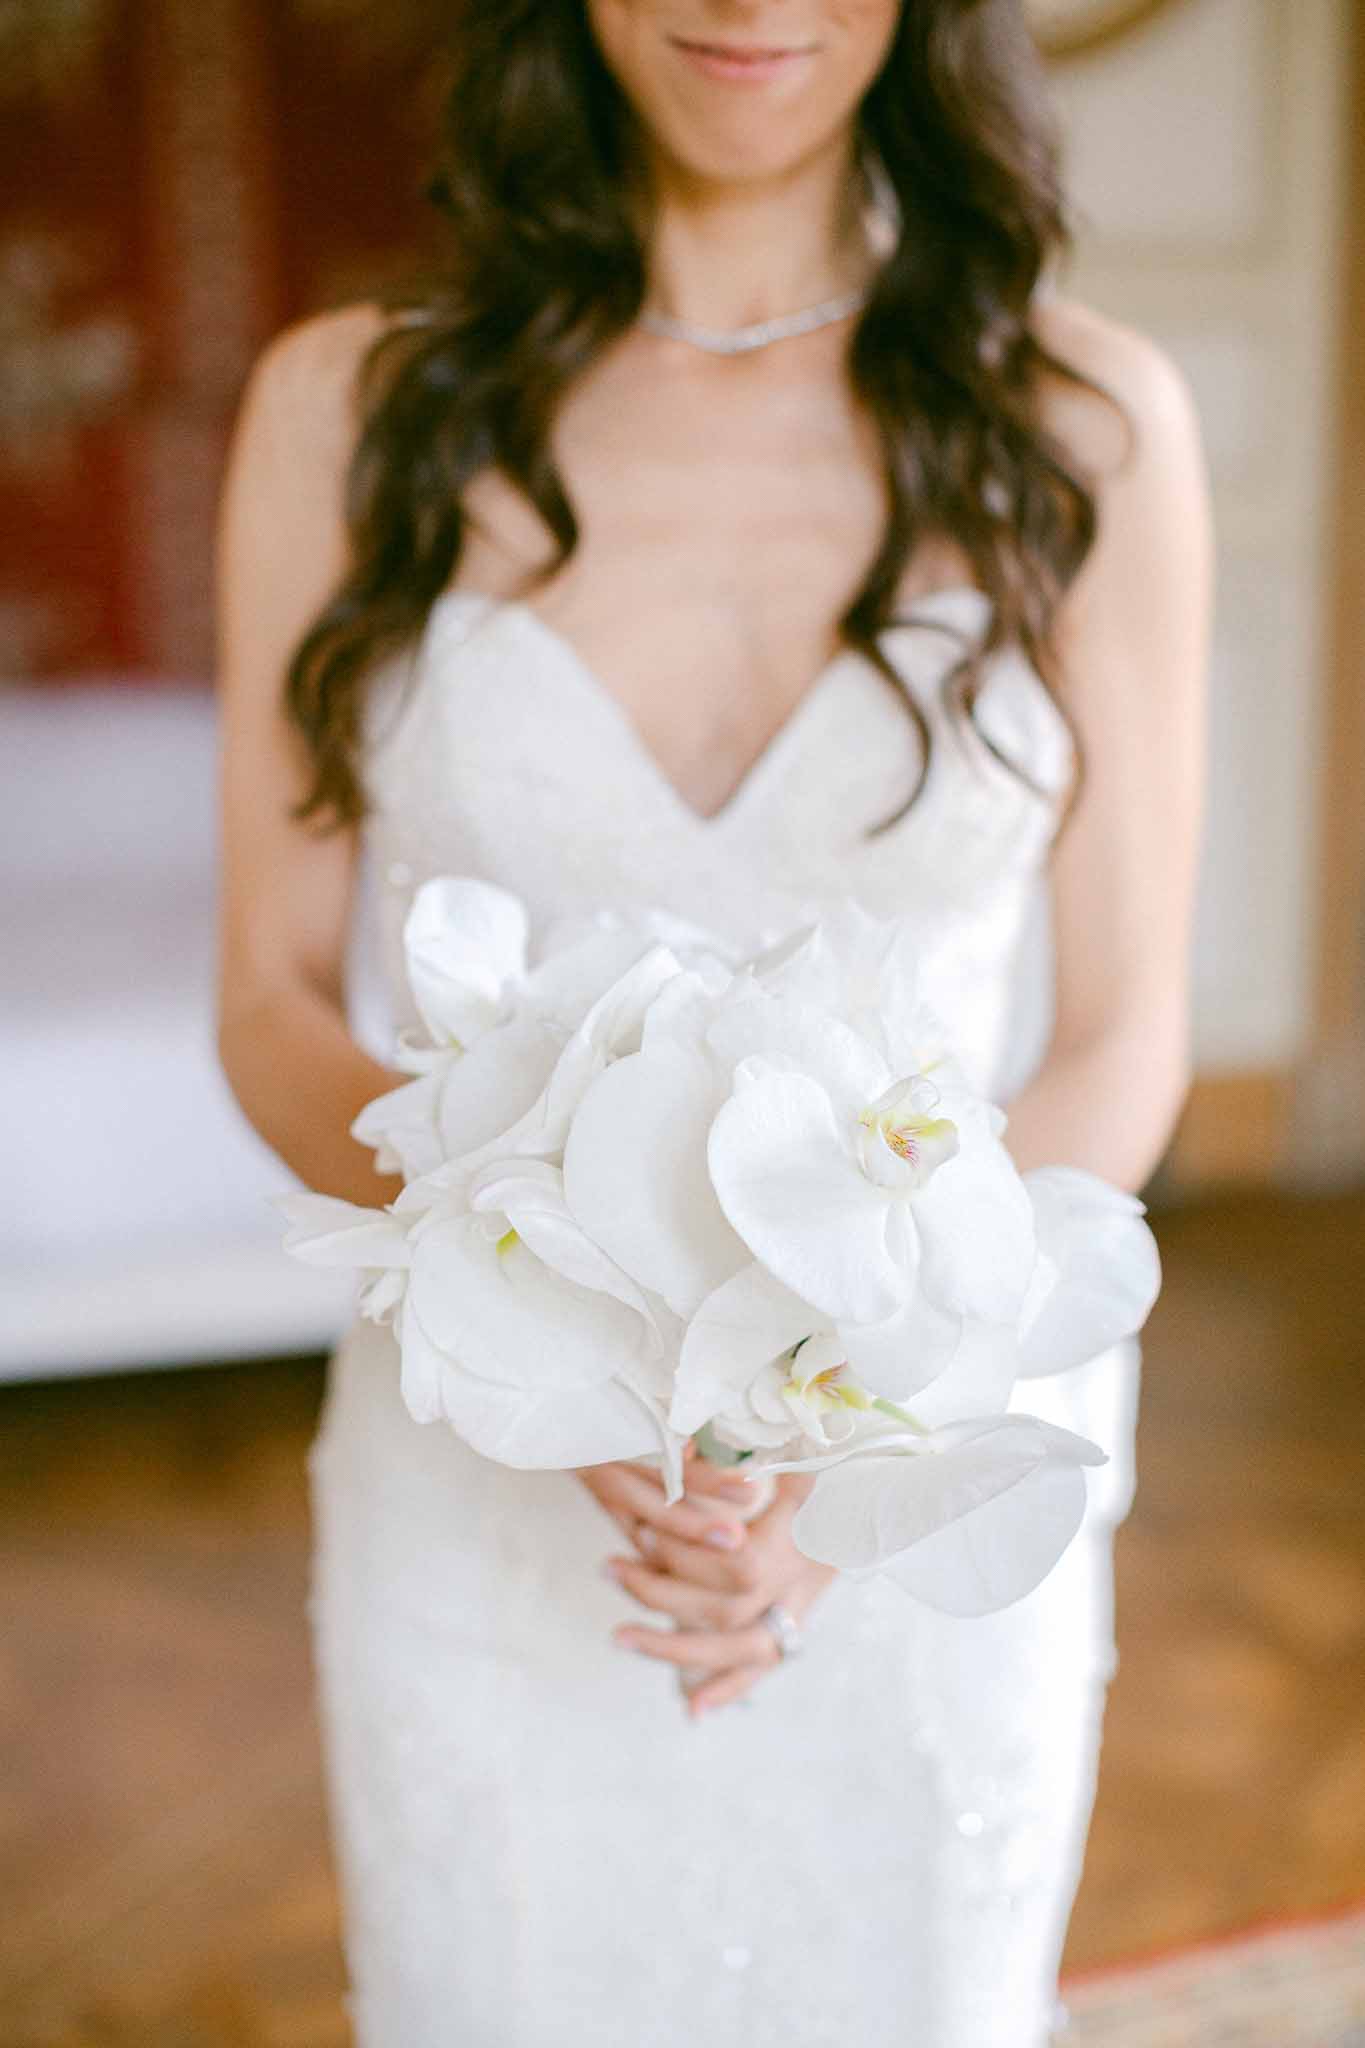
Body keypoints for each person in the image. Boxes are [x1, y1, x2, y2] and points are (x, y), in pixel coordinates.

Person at [215, 2, 1210, 2041]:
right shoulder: (348, 407)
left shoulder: (1085, 424)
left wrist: (844, 1456)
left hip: (924, 1476)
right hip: (483, 1479)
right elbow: (266, 997)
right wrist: (569, 1361)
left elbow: (1121, 1035)